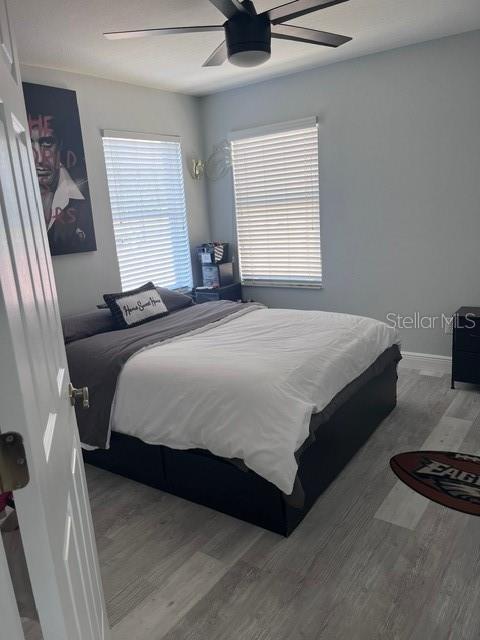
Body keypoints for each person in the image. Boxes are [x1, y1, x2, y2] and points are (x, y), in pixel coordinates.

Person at [28, 113, 93, 255]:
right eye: (28, 145)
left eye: (46, 144)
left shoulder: (88, 197)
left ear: (60, 146)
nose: (38, 158)